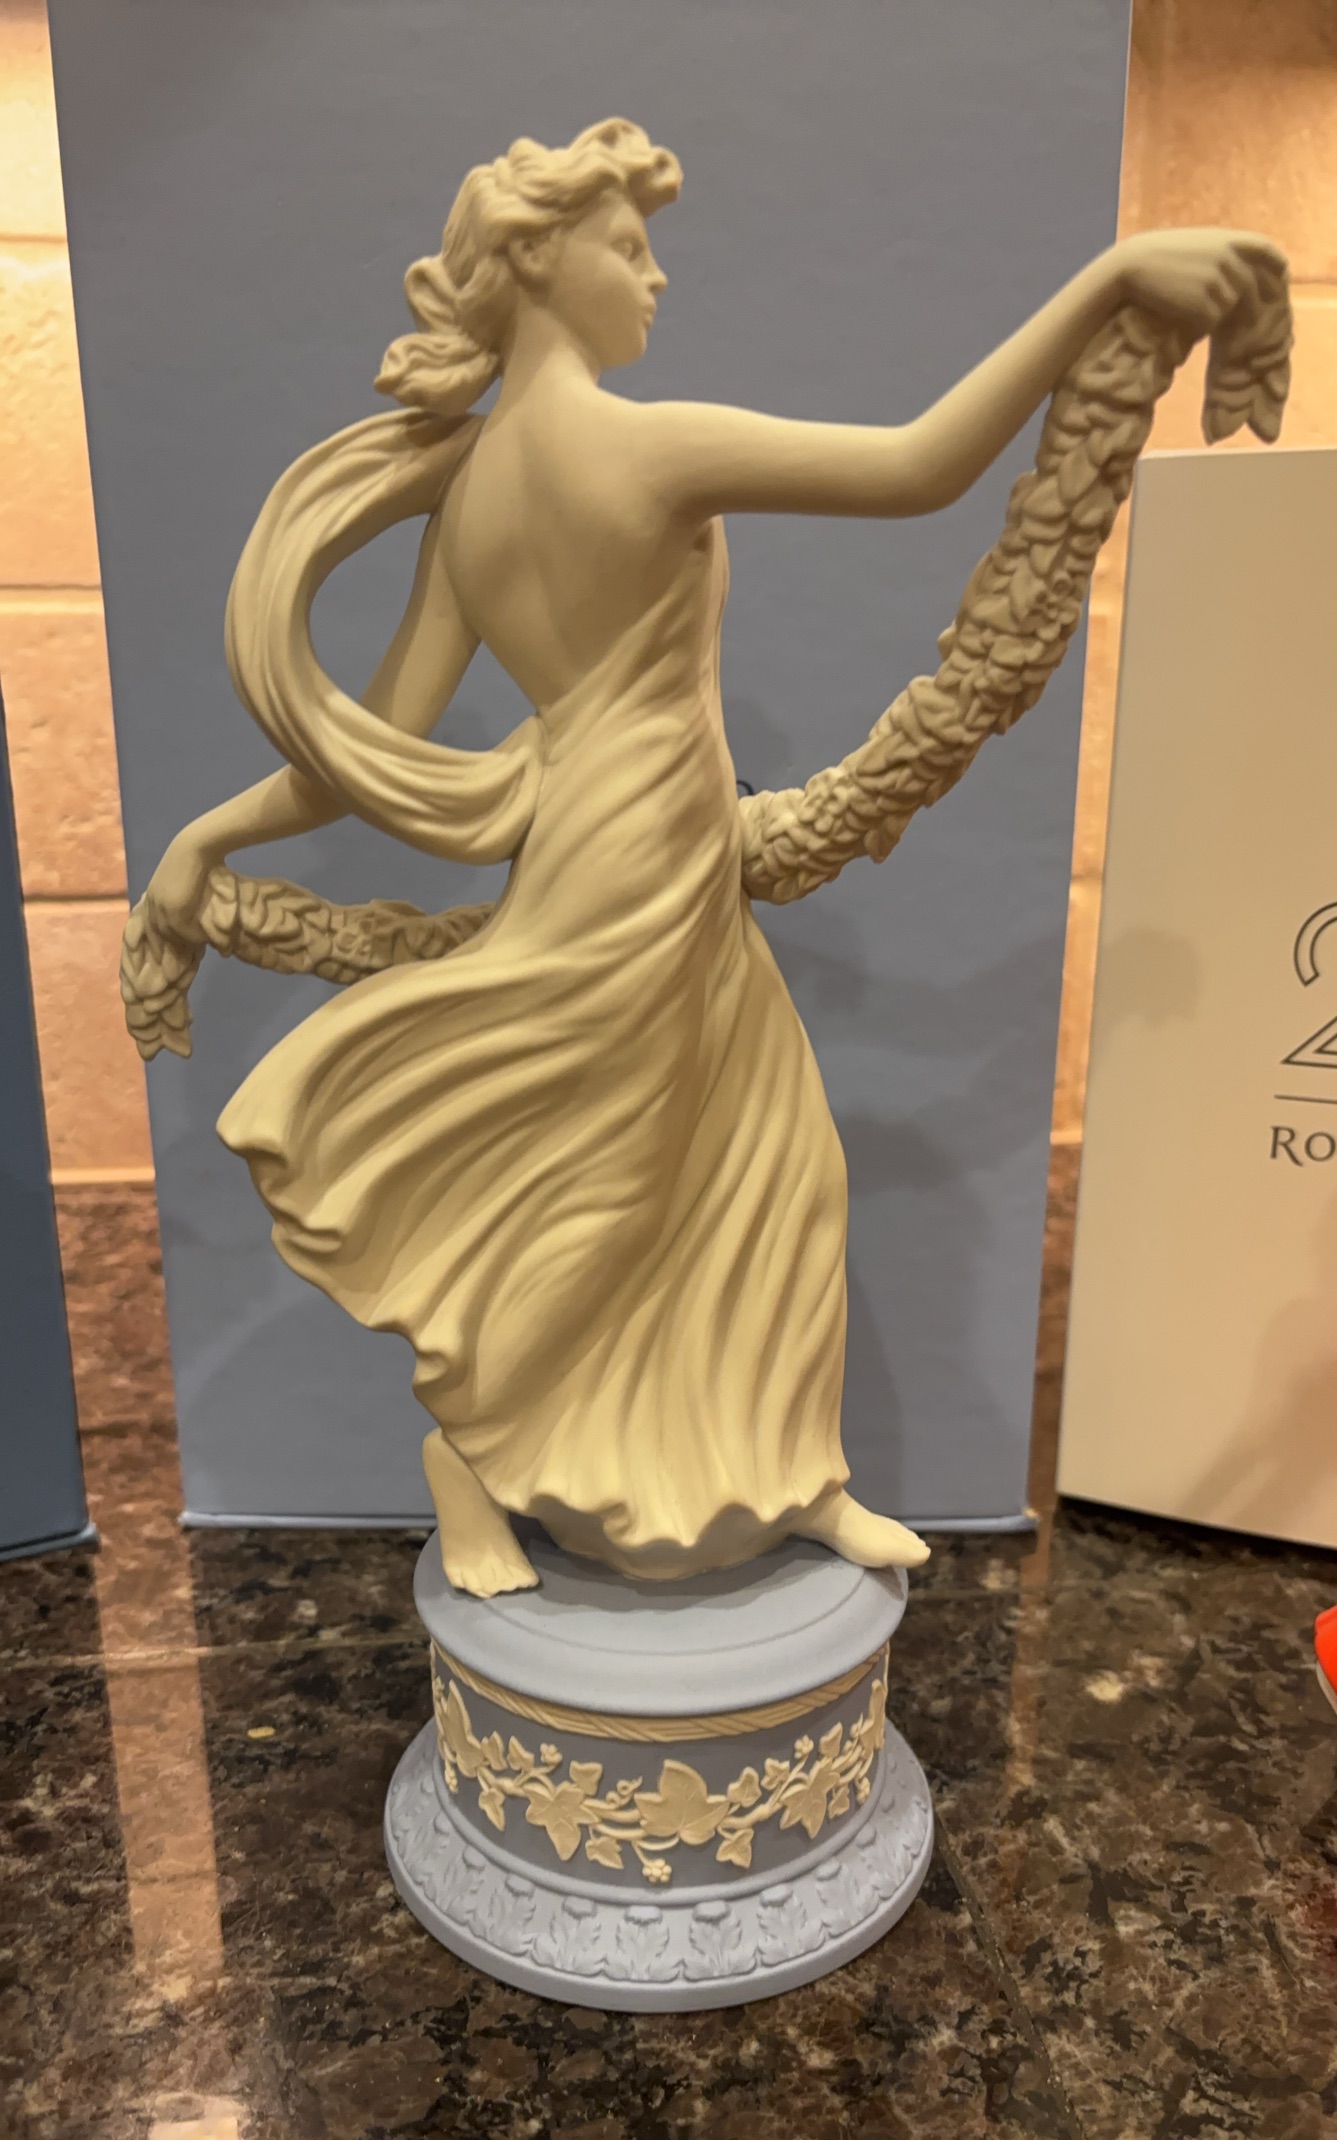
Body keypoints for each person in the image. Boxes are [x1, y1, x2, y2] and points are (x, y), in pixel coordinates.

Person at [135, 118, 1284, 1597]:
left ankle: (795, 1476)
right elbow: (918, 465)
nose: (655, 276)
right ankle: (468, 1467)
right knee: (607, 1196)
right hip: (634, 870)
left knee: (777, 1170)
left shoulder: (471, 495)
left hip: (627, 854)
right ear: (539, 262)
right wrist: (1107, 283)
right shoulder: (636, 443)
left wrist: (209, 832)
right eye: (627, 247)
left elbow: (368, 741)